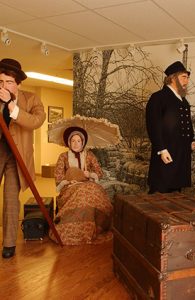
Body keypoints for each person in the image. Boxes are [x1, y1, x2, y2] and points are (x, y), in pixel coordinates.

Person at [0, 58, 46, 258]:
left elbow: (36, 121)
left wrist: (11, 106)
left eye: (9, 82)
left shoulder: (32, 99)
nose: (4, 86)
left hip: (17, 157)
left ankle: (9, 244)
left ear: (18, 83)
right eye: (0, 82)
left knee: (11, 199)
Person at [49, 126, 113, 245]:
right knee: (82, 196)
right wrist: (68, 182)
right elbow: (58, 177)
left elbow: (100, 172)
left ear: (83, 142)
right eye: (73, 141)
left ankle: (94, 228)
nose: (76, 143)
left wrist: (90, 174)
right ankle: (74, 231)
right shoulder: (63, 157)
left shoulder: (89, 155)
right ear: (69, 142)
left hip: (88, 184)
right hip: (70, 187)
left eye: (79, 141)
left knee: (93, 194)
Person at [146, 61, 195, 194]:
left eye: (187, 77)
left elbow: (185, 127)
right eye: (184, 77)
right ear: (172, 78)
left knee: (175, 194)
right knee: (160, 191)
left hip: (181, 155)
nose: (187, 81)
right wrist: (161, 149)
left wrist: (191, 143)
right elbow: (153, 126)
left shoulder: (183, 101)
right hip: (166, 153)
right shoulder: (158, 98)